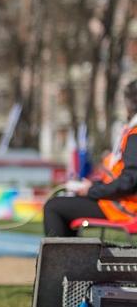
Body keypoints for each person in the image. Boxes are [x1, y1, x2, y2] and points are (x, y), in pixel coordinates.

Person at [44, 79, 137, 237]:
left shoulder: (134, 135)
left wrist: (92, 190)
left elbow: (130, 182)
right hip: (119, 202)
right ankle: (70, 259)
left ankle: (62, 261)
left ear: (129, 104)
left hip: (125, 208)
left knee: (53, 207)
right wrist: (94, 185)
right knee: (62, 204)